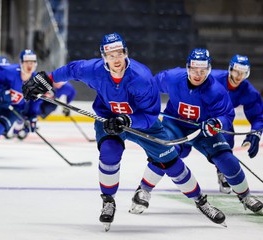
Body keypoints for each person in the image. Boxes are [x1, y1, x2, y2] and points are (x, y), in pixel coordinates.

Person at [21, 33, 226, 231]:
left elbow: (150, 115)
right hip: (109, 120)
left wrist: (128, 119)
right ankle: (108, 201)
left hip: (141, 122)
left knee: (171, 163)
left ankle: (201, 201)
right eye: (111, 55)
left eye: (119, 53)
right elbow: (72, 69)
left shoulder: (142, 78)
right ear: (104, 57)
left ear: (125, 53)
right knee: (109, 153)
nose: (116, 59)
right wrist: (46, 79)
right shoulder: (93, 70)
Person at [129, 48, 263, 216]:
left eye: (202, 70)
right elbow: (149, 86)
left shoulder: (217, 90)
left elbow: (227, 115)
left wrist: (217, 123)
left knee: (226, 158)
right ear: (187, 67)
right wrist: (134, 99)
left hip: (203, 129)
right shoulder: (172, 78)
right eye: (194, 69)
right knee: (166, 153)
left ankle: (245, 195)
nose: (198, 74)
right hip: (174, 125)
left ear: (208, 69)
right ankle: (143, 190)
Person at [210, 55, 263, 193]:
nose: (239, 76)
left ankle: (223, 171)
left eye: (243, 72)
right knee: (183, 150)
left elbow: (258, 116)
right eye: (236, 71)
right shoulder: (212, 78)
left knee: (226, 140)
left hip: (221, 119)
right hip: (200, 115)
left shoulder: (249, 91)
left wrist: (255, 134)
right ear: (230, 69)